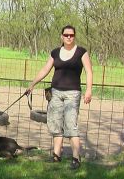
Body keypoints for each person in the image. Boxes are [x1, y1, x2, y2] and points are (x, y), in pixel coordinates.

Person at [26, 25, 93, 170]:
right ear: (61, 36)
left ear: (74, 36)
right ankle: (56, 155)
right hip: (55, 92)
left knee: (71, 125)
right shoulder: (55, 52)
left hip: (72, 93)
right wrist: (32, 84)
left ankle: (76, 158)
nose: (69, 37)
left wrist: (89, 90)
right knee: (55, 124)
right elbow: (45, 69)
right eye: (66, 35)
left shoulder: (82, 52)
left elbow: (88, 71)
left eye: (72, 35)